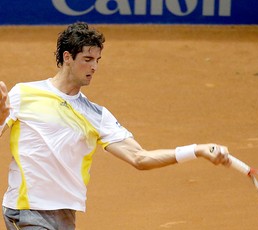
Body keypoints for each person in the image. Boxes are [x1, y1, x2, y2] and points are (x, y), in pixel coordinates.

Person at [0, 22, 230, 230]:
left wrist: (197, 150)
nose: (94, 67)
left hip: (65, 215)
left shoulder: (97, 115)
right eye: (87, 60)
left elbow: (140, 158)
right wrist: (1, 116)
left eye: (97, 60)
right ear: (68, 57)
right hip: (27, 209)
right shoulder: (25, 93)